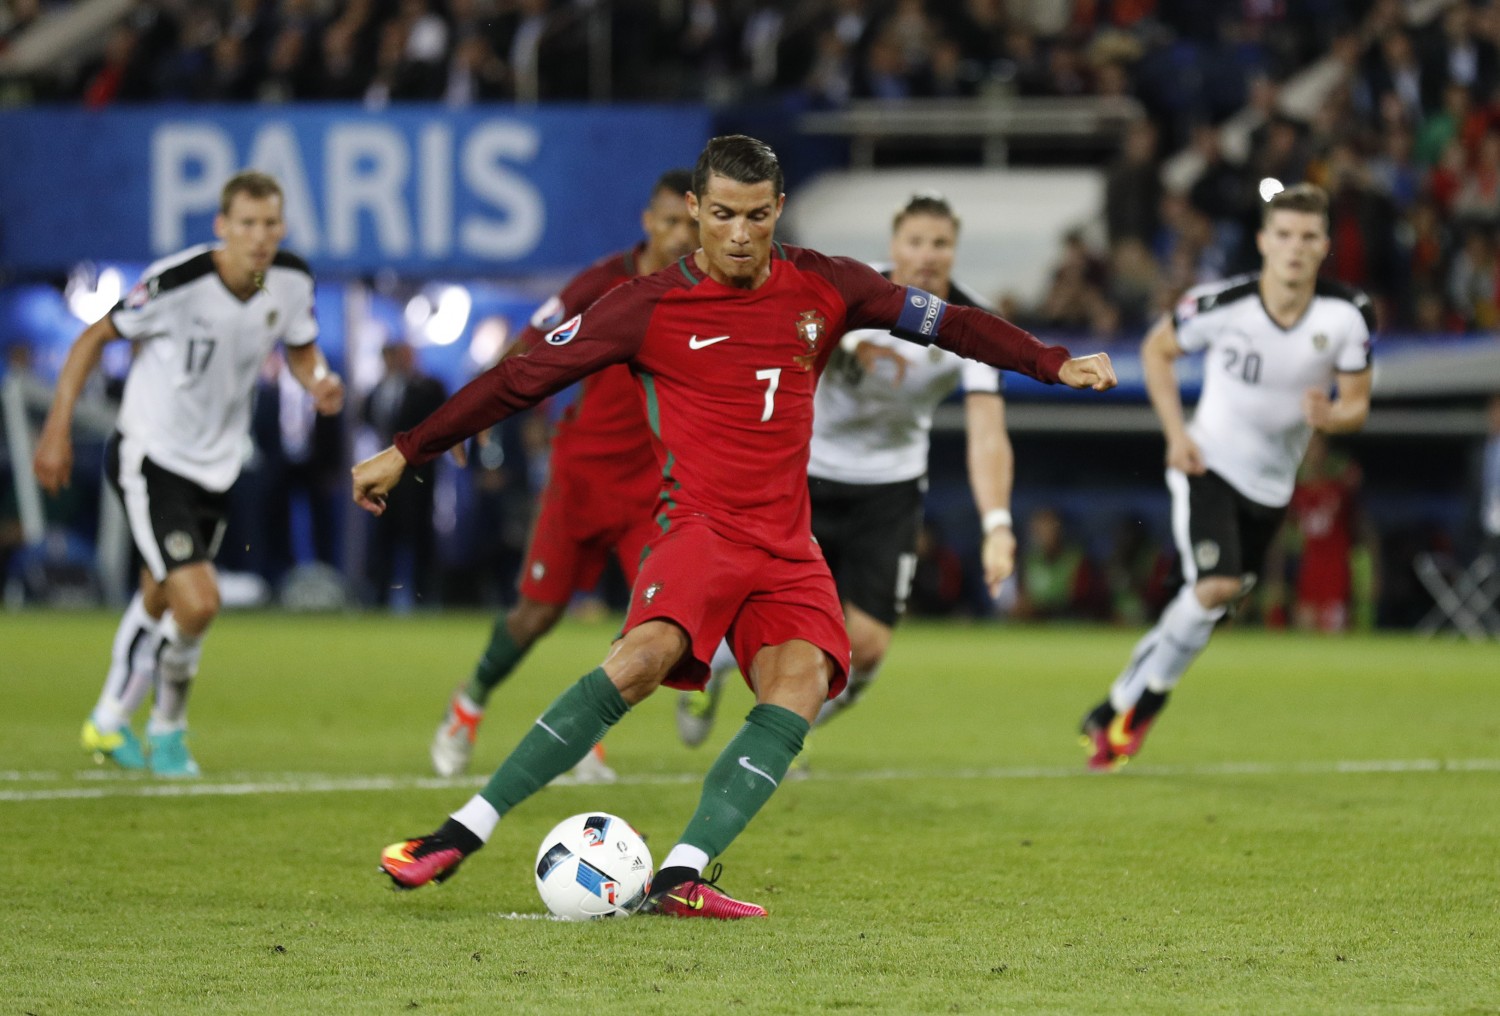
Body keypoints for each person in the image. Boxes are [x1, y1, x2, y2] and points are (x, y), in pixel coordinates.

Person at [354, 134, 1116, 918]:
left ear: (779, 209)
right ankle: (458, 832)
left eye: (757, 216)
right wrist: (409, 450)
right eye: (722, 215)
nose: (741, 233)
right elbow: (519, 380)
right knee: (644, 658)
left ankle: (682, 874)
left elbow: (953, 322)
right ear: (695, 210)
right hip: (699, 531)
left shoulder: (829, 286)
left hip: (787, 544)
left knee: (805, 681)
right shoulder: (643, 306)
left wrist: (1052, 362)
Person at [675, 192, 1019, 752]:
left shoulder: (972, 328)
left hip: (890, 488)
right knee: (747, 601)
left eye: (940, 243)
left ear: (955, 250)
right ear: (894, 246)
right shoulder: (848, 294)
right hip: (805, 472)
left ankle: (781, 736)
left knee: (870, 647)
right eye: (915, 242)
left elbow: (987, 433)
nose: (927, 255)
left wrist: (998, 522)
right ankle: (710, 672)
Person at [33, 170, 344, 777]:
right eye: (247, 224)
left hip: (218, 465)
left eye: (270, 224)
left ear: (282, 226)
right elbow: (93, 338)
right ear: (222, 227)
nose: (260, 237)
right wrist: (55, 428)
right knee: (198, 602)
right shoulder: (178, 282)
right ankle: (168, 729)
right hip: (151, 457)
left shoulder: (288, 279)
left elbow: (300, 346)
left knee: (160, 591)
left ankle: (106, 720)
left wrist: (318, 380)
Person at [1078, 182, 1374, 772]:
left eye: (1308, 237)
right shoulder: (1223, 304)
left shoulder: (1346, 316)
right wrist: (1176, 435)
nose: (1294, 247)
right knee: (1215, 585)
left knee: (1211, 603)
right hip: (1206, 463)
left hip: (1272, 487)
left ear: (1323, 247)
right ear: (1264, 242)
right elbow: (1156, 350)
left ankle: (1112, 705)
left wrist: (1331, 415)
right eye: (1283, 235)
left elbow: (1358, 403)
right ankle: (1142, 710)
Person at [429, 167, 697, 781]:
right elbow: (528, 346)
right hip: (579, 476)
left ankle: (589, 736)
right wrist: (474, 414)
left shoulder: (705, 288)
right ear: (648, 221)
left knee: (657, 622)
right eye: (671, 221)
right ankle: (468, 706)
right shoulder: (601, 284)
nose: (683, 235)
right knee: (536, 616)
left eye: (691, 222)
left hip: (653, 487)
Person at [361, 340, 448, 607]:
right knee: (382, 537)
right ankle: (379, 596)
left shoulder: (427, 388)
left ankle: (423, 595)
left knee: (419, 535)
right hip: (385, 479)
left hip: (416, 477)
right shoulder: (377, 391)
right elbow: (366, 419)